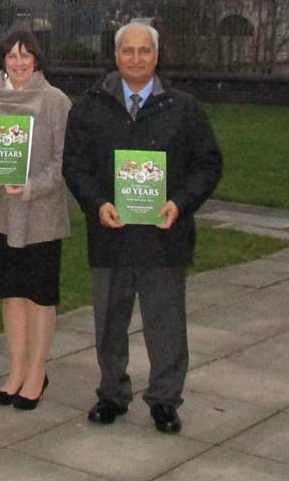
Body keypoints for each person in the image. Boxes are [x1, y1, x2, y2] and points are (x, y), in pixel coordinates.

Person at [62, 22, 222, 433]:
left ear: (157, 55)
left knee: (166, 324)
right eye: (128, 51)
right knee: (109, 322)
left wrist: (180, 203)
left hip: (164, 235)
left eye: (144, 51)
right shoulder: (91, 106)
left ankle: (165, 400)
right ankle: (112, 393)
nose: (136, 58)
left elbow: (208, 164)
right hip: (110, 233)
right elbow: (75, 167)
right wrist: (97, 204)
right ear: (115, 57)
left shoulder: (183, 108)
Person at [0, 28, 71, 411]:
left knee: (38, 296)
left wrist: (28, 187)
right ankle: (15, 370)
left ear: (37, 59)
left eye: (26, 55)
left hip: (40, 215)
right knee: (11, 295)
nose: (19, 62)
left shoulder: (56, 101)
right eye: (12, 55)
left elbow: (64, 162)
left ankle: (37, 372)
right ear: (2, 60)